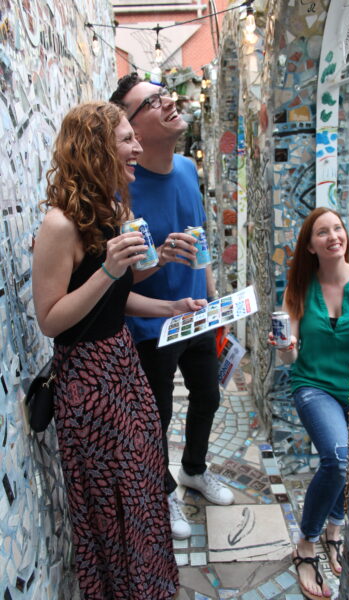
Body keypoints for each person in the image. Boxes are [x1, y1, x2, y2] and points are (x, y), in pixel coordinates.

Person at [32, 101, 208, 599]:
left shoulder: (113, 211)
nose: (136, 147)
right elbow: (51, 319)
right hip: (88, 382)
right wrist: (110, 270)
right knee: (112, 504)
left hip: (123, 364)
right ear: (95, 148)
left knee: (142, 486)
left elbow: (116, 295)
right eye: (127, 138)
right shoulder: (59, 226)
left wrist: (168, 305)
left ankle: (150, 586)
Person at [110, 73, 234, 540]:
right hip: (149, 326)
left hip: (197, 312)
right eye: (153, 101)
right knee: (155, 417)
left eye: (166, 95)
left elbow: (200, 241)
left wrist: (215, 301)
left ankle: (194, 471)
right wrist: (160, 258)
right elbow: (118, 280)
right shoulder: (123, 185)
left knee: (209, 395)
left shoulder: (186, 168)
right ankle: (163, 492)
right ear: (133, 130)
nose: (169, 103)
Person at [269, 207, 349, 600]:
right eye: (322, 232)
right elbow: (289, 359)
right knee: (337, 457)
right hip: (313, 386)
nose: (333, 236)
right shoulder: (298, 290)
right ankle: (306, 544)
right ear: (310, 245)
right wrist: (285, 348)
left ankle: (334, 528)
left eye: (337, 228)